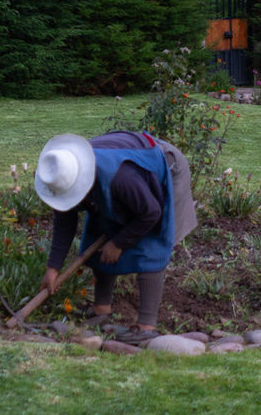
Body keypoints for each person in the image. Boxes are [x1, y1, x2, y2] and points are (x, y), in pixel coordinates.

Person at [34, 129, 197, 338]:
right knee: (99, 231)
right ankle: (102, 309)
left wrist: (119, 242)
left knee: (150, 244)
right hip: (125, 178)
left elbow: (151, 213)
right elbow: (64, 221)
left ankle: (147, 326)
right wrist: (53, 268)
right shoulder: (62, 175)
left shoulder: (121, 178)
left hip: (164, 167)